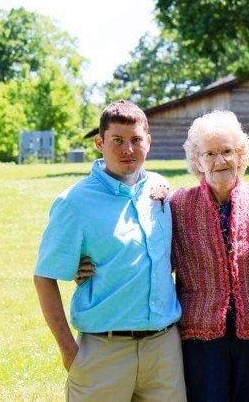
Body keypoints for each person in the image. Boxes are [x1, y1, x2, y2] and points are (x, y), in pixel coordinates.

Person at [34, 100, 186, 401]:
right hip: (104, 352)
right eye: (117, 140)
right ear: (99, 143)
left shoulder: (159, 187)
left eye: (136, 140)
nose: (128, 149)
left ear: (148, 142)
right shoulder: (74, 203)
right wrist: (69, 352)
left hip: (164, 351)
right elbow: (44, 277)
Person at [171, 110, 249, 401]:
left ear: (240, 155)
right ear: (197, 160)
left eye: (227, 151)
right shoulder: (178, 206)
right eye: (210, 154)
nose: (220, 160)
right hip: (200, 333)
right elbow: (155, 258)